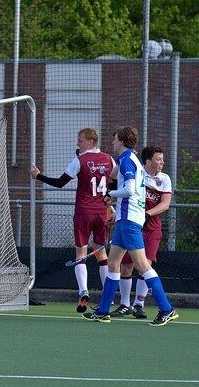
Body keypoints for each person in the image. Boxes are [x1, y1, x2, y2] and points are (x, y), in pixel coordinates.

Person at [85, 127, 178, 326]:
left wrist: (110, 195)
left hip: (130, 220)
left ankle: (167, 309)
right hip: (125, 220)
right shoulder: (128, 159)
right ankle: (103, 311)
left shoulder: (128, 160)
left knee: (142, 265)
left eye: (115, 139)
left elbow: (130, 189)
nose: (112, 143)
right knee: (113, 263)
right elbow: (115, 175)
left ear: (122, 141)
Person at [30, 128, 114, 313]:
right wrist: (111, 205)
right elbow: (114, 184)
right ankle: (108, 294)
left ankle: (83, 291)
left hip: (84, 213)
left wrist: (38, 176)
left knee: (81, 254)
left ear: (91, 142)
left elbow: (60, 183)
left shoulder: (79, 160)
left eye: (81, 140)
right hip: (102, 213)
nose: (78, 143)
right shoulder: (109, 160)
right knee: (101, 254)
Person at [111, 145, 172, 319]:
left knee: (146, 265)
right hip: (133, 224)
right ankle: (125, 304)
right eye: (158, 159)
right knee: (126, 265)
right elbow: (114, 178)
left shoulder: (164, 179)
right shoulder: (137, 172)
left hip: (151, 228)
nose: (161, 162)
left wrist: (147, 214)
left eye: (162, 159)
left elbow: (165, 204)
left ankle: (139, 304)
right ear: (148, 161)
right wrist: (122, 158)